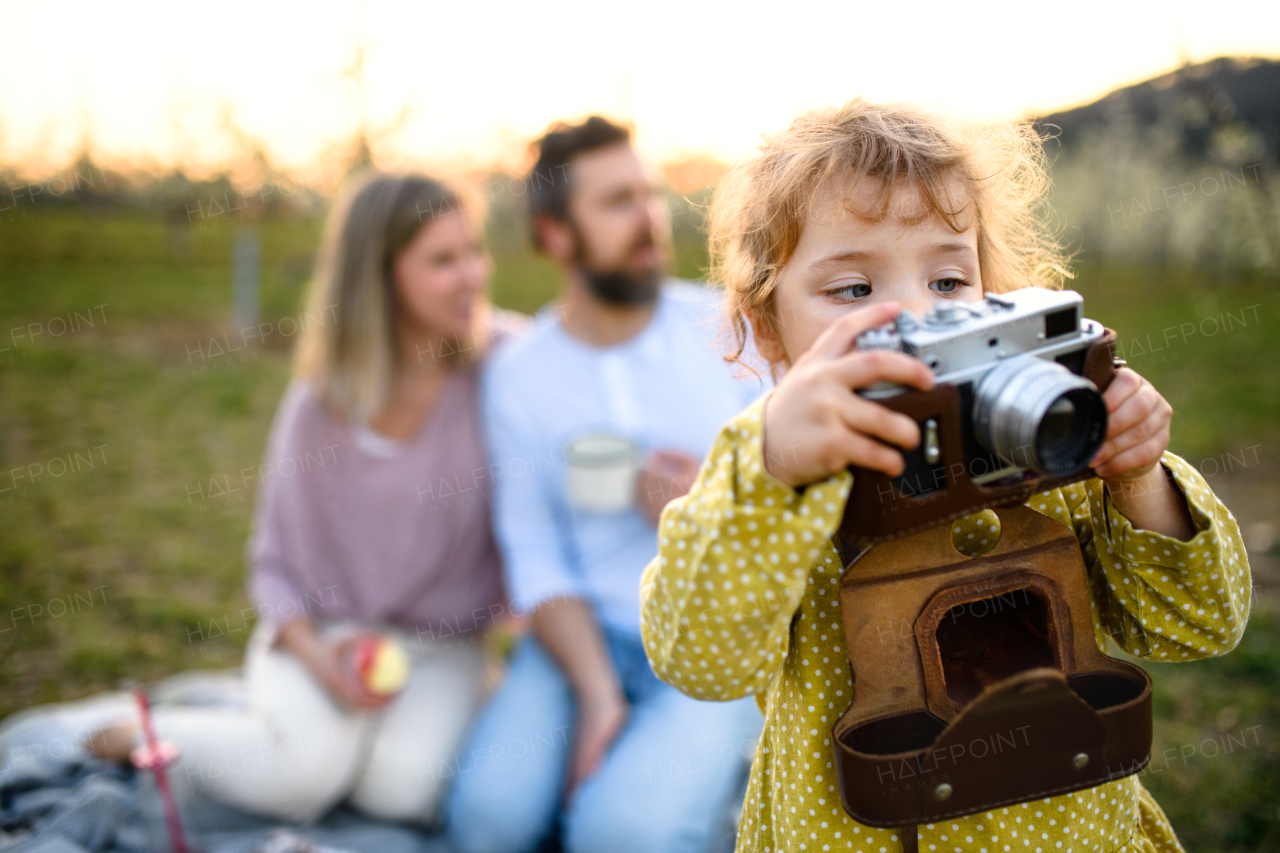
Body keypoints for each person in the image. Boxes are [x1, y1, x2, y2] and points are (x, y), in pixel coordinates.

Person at [640, 99, 1253, 853]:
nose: (911, 319)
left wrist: (1136, 475)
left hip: (1066, 830)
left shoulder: (1043, 437)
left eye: (949, 281)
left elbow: (1196, 626)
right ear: (768, 328)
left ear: (994, 293)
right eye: (854, 291)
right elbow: (698, 659)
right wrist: (770, 469)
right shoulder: (775, 483)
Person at [91, 173, 518, 827]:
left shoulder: (508, 364)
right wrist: (319, 659)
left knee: (403, 792)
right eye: (442, 260)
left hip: (446, 642)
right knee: (302, 776)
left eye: (474, 250)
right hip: (323, 630)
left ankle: (301, 734)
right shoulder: (323, 404)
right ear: (380, 276)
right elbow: (272, 560)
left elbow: (593, 367)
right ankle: (142, 728)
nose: (472, 276)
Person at [443, 117, 765, 853]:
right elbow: (533, 551)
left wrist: (697, 510)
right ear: (556, 234)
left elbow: (802, 505)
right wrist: (594, 692)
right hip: (576, 639)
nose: (649, 217)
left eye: (649, 194)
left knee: (616, 835)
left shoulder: (730, 333)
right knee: (485, 821)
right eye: (618, 201)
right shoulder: (519, 374)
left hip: (712, 640)